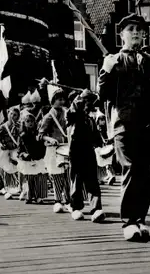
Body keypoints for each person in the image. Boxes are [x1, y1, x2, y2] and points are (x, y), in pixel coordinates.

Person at [97, 13, 150, 241]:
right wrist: (105, 72)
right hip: (124, 124)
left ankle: (140, 219)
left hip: (147, 125)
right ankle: (129, 222)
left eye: (139, 29)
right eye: (131, 29)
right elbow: (103, 94)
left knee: (144, 174)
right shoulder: (114, 60)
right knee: (131, 168)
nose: (136, 33)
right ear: (122, 34)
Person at [66, 89, 106, 223]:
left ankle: (96, 209)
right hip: (76, 150)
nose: (89, 103)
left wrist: (100, 147)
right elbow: (70, 115)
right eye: (87, 100)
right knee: (76, 179)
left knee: (92, 180)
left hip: (89, 150)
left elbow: (95, 136)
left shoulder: (91, 118)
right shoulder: (75, 114)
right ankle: (76, 207)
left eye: (90, 100)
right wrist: (79, 100)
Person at [38, 85, 72, 214]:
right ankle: (58, 200)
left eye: (63, 99)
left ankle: (68, 200)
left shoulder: (67, 113)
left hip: (67, 147)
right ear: (52, 100)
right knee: (57, 176)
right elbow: (41, 135)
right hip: (54, 149)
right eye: (58, 99)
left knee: (68, 175)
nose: (61, 102)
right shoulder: (48, 116)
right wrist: (50, 139)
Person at [17, 111, 47, 204]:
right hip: (28, 159)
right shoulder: (22, 136)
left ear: (35, 122)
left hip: (38, 157)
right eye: (27, 121)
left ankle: (39, 196)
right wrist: (23, 154)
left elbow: (43, 146)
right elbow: (19, 149)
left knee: (39, 177)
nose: (30, 123)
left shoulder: (38, 134)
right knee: (29, 178)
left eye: (31, 121)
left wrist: (41, 155)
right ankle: (29, 196)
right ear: (24, 123)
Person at [0, 106, 21, 200]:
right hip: (5, 151)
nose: (12, 116)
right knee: (6, 170)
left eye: (15, 115)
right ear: (8, 114)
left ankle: (19, 188)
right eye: (11, 114)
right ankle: (7, 190)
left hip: (16, 151)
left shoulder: (20, 126)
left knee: (18, 169)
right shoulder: (3, 127)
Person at [94, 110, 116, 186]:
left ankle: (110, 176)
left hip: (105, 148)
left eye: (104, 120)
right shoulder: (96, 130)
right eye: (101, 120)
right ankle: (100, 178)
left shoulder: (106, 130)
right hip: (98, 148)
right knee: (99, 165)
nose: (103, 122)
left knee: (108, 163)